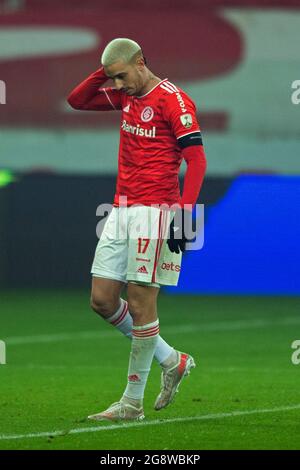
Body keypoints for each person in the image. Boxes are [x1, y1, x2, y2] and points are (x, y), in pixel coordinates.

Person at [67, 38, 207, 421]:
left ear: (141, 62)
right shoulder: (125, 95)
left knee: (143, 304)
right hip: (121, 208)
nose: (117, 85)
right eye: (112, 79)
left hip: (156, 211)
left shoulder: (173, 100)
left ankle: (131, 403)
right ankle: (171, 359)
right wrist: (108, 69)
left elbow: (197, 161)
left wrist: (184, 214)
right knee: (102, 300)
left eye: (122, 76)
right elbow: (77, 100)